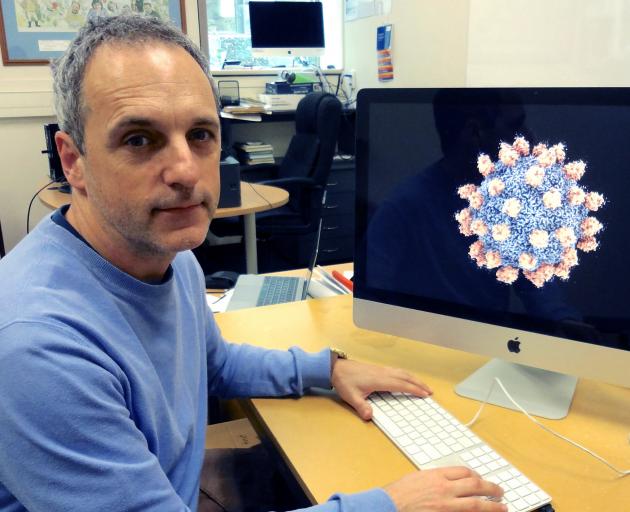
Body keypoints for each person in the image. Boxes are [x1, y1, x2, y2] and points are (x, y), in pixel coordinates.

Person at [0, 15, 506, 512]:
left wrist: (328, 369)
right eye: (139, 139)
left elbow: (214, 364)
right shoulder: (38, 349)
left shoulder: (168, 256)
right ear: (73, 162)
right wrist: (389, 507)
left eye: (200, 135)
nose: (185, 171)